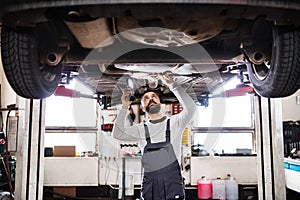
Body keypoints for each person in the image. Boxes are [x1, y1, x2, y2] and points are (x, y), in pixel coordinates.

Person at [112, 72, 196, 200]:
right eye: (146, 98)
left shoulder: (175, 122)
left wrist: (173, 85)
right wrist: (124, 107)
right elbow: (117, 133)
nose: (150, 98)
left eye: (154, 96)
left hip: (172, 186)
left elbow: (191, 108)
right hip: (150, 188)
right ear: (143, 108)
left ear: (160, 103)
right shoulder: (140, 130)